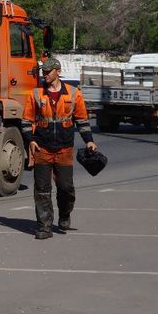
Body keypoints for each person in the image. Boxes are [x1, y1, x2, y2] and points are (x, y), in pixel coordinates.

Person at [21, 57, 99, 240]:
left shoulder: (73, 93)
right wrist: (30, 141)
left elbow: (82, 120)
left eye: (48, 71)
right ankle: (44, 227)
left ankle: (64, 214)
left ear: (58, 71)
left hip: (64, 149)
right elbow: (26, 121)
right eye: (43, 72)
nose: (45, 75)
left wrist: (89, 140)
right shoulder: (36, 94)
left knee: (65, 188)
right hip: (42, 148)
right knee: (42, 190)